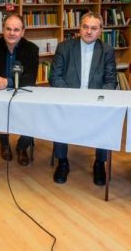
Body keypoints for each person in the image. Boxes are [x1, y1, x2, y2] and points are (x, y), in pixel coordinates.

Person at [49, 12, 117, 185]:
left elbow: (110, 81)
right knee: (59, 114)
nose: (88, 31)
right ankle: (62, 162)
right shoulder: (64, 47)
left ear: (100, 30)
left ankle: (99, 163)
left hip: (95, 103)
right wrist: (70, 96)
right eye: (85, 27)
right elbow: (55, 77)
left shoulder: (107, 51)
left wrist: (97, 100)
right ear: (79, 28)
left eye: (93, 28)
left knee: (107, 117)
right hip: (69, 99)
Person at [0, 14, 39, 165]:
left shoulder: (31, 49)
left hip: (23, 92)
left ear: (23, 32)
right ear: (3, 30)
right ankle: (4, 142)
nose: (12, 33)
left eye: (16, 30)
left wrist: (7, 82)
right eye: (8, 29)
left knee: (35, 113)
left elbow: (30, 78)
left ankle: (22, 146)